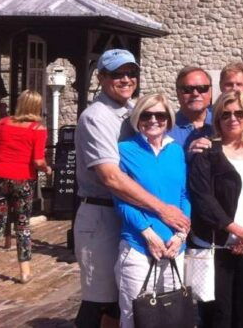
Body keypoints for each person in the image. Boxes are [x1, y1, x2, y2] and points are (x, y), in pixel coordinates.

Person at [72, 49, 189, 328]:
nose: (126, 79)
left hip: (131, 214)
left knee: (121, 301)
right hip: (103, 215)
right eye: (117, 74)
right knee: (101, 300)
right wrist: (164, 210)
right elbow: (111, 178)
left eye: (131, 73)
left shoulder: (132, 112)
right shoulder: (96, 117)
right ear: (100, 77)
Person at [189, 90, 243, 328]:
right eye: (225, 114)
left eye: (239, 113)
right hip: (216, 245)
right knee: (216, 316)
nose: (233, 119)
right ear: (217, 119)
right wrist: (237, 230)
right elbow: (203, 199)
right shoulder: (207, 153)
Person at [114, 94, 190, 328]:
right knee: (135, 316)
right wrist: (148, 233)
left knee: (169, 317)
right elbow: (121, 199)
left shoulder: (176, 151)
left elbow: (183, 195)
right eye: (147, 115)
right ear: (138, 118)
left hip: (173, 248)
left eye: (160, 115)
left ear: (168, 119)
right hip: (138, 245)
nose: (153, 120)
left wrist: (181, 235)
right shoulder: (124, 150)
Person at [0, 90, 50, 285]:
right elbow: (37, 160)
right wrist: (47, 169)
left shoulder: (2, 123)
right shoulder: (37, 129)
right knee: (22, 225)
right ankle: (24, 271)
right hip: (22, 179)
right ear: (37, 107)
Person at [170, 66, 214, 154]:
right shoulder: (165, 130)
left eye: (202, 88)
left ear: (210, 92)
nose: (195, 94)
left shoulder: (224, 124)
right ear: (178, 93)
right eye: (187, 89)